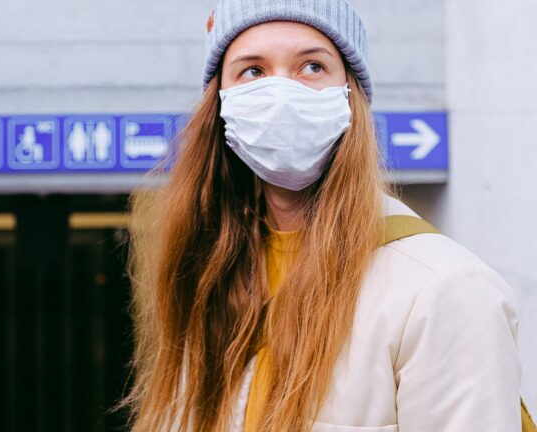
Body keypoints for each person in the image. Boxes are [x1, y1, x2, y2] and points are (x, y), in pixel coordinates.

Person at [121, 0, 522, 431]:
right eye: (252, 71)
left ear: (351, 94)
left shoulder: (443, 290)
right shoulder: (208, 274)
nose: (281, 96)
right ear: (219, 102)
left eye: (312, 66)